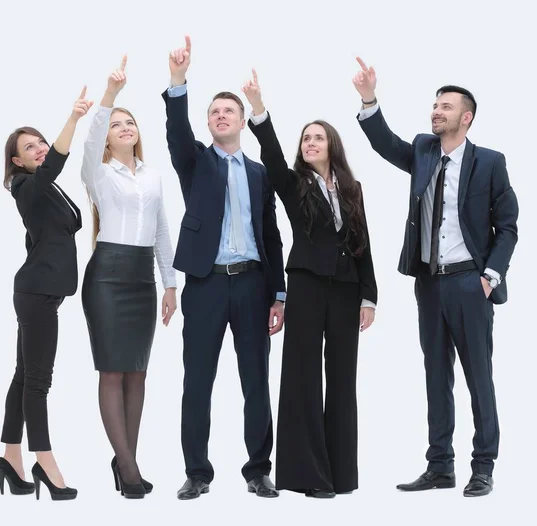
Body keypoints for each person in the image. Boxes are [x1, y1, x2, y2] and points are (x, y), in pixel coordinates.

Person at [353, 57, 519, 497]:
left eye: (445, 107)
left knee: (478, 375)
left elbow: (508, 226)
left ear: (466, 117)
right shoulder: (424, 151)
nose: (435, 111)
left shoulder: (490, 163)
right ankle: (440, 465)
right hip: (429, 282)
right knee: (434, 374)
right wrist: (369, 98)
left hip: (470, 282)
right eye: (434, 105)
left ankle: (483, 465)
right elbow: (385, 144)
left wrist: (490, 276)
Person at [242, 69, 377, 498]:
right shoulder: (293, 183)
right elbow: (272, 157)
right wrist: (259, 108)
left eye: (318, 137)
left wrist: (369, 295)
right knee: (301, 376)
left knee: (342, 378)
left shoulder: (353, 188)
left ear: (332, 144)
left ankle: (340, 475)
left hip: (346, 288)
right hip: (306, 285)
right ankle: (308, 477)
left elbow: (363, 244)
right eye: (306, 139)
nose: (311, 143)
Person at [162, 36, 286, 500]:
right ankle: (197, 472)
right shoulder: (196, 163)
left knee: (256, 382)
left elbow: (272, 237)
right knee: (197, 382)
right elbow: (176, 133)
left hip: (253, 285)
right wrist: (178, 82)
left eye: (227, 111)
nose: (219, 116)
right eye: (213, 112)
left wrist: (279, 293)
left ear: (240, 121)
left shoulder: (260, 174)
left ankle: (258, 470)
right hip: (206, 286)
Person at [81, 56, 177, 499]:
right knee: (113, 372)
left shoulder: (154, 176)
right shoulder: (98, 173)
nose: (123, 127)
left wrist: (170, 284)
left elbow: (160, 231)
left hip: (142, 278)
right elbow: (90, 140)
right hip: (107, 277)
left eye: (129, 122)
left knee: (137, 372)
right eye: (116, 124)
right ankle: (131, 468)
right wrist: (110, 97)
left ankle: (125, 462)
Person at [0, 87, 92, 501]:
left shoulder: (46, 191)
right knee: (39, 381)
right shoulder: (26, 186)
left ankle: (9, 457)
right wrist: (72, 119)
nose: (39, 149)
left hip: (41, 293)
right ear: (17, 161)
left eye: (40, 142)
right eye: (29, 147)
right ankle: (46, 463)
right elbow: (54, 163)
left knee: (23, 376)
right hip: (36, 294)